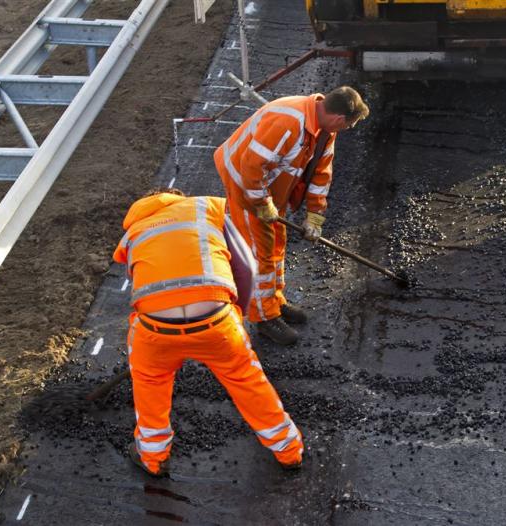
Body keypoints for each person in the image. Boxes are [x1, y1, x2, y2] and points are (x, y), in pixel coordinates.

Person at [113, 189, 304, 476]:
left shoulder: (133, 234)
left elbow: (143, 285)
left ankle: (152, 459)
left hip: (155, 330)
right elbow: (246, 267)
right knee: (245, 378)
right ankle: (289, 452)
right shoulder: (205, 210)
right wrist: (233, 312)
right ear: (177, 198)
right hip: (217, 322)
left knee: (150, 382)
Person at [214, 86, 370, 345]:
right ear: (340, 119)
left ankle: (274, 302)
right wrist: (261, 204)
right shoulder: (288, 121)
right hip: (244, 183)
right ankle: (264, 318)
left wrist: (315, 216)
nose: (347, 130)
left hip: (271, 184)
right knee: (259, 251)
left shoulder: (323, 130)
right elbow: (252, 167)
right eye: (349, 125)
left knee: (277, 240)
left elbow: (321, 175)